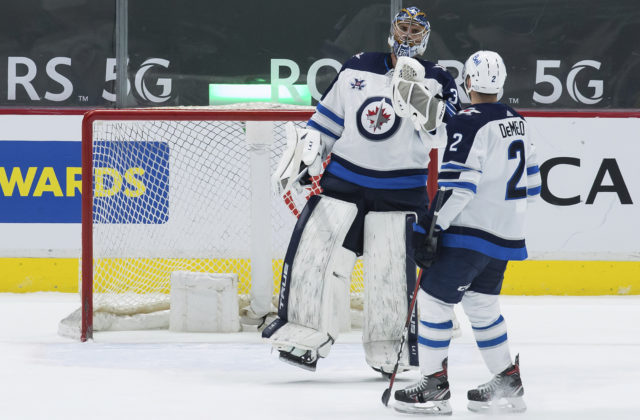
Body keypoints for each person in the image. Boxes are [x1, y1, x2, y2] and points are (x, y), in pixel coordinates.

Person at [261, 6, 461, 376]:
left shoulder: (438, 78)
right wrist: (308, 154)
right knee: (316, 257)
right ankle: (302, 336)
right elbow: (325, 121)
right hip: (344, 182)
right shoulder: (357, 65)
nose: (408, 35)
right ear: (390, 31)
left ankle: (390, 350)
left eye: (416, 30)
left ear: (427, 37)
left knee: (390, 274)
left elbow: (448, 133)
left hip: (402, 192)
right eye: (403, 27)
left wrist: (418, 96)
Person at [393, 50, 541, 415]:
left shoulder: (467, 122)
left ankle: (433, 387)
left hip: (469, 233)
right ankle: (507, 379)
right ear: (502, 82)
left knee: (433, 301)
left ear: (469, 82)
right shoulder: (518, 120)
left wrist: (433, 227)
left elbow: (460, 189)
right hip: (505, 235)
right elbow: (534, 186)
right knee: (481, 305)